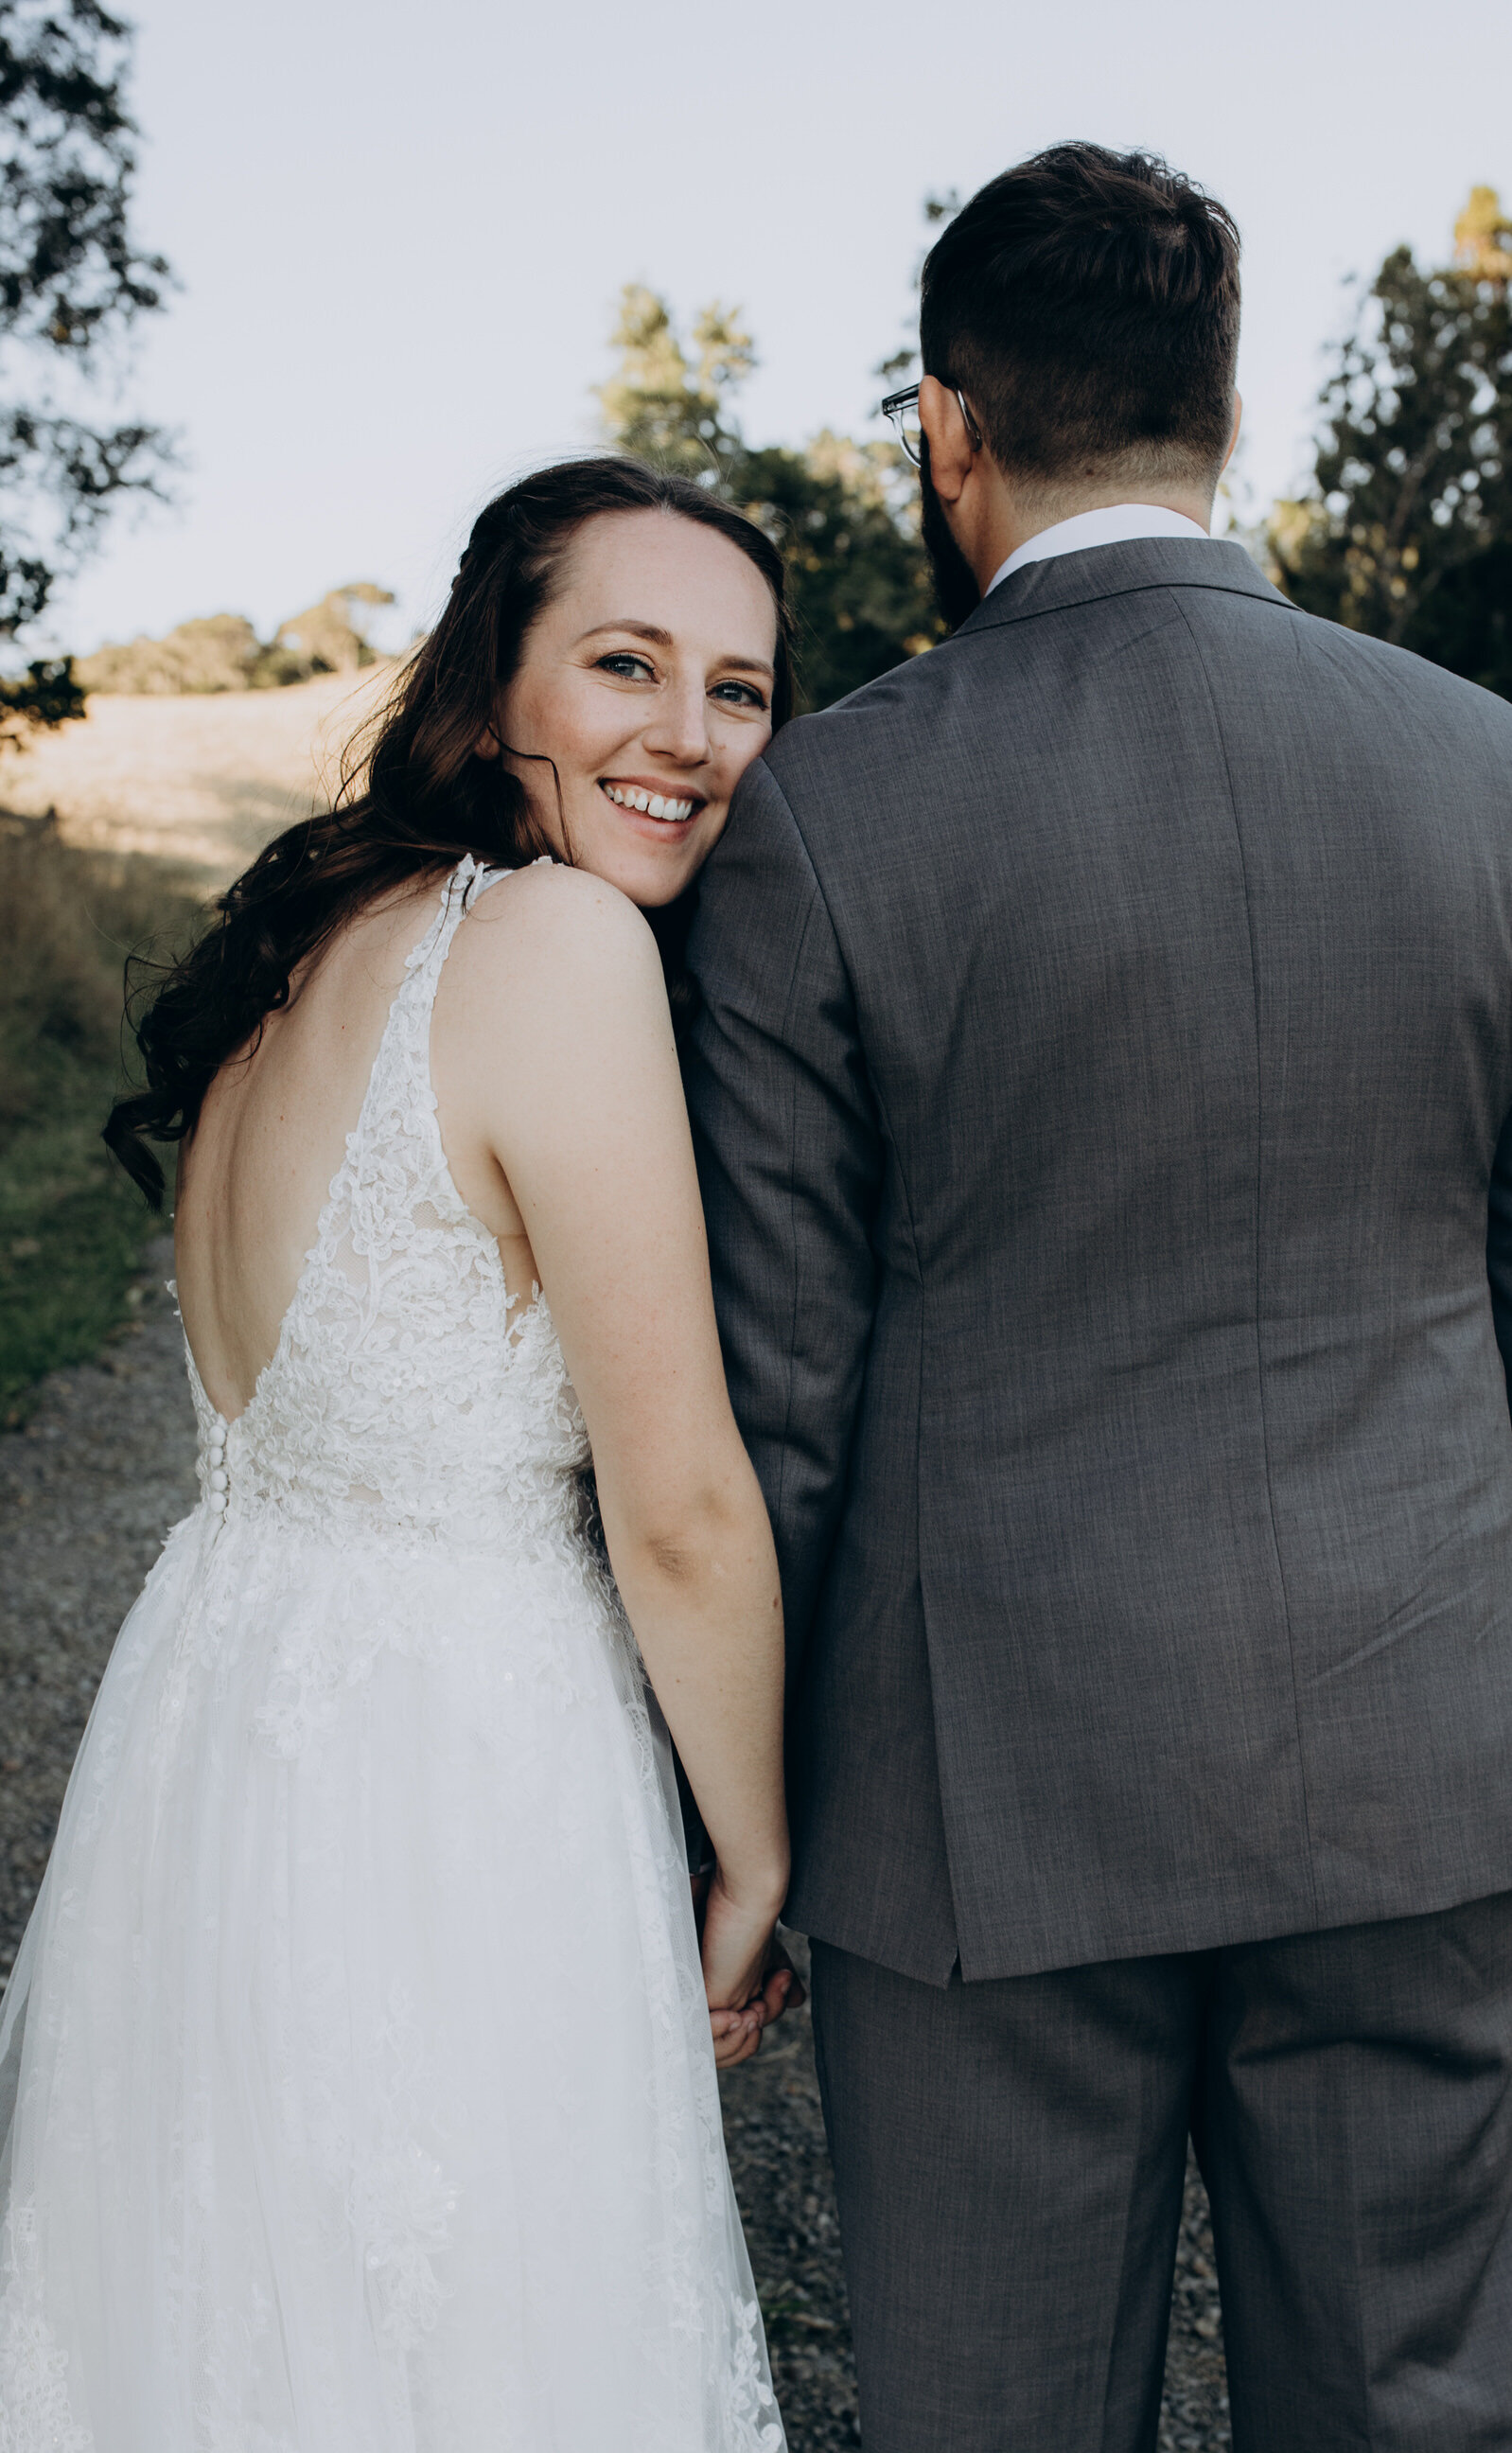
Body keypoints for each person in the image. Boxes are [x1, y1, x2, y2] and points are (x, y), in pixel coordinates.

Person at [684, 143, 1512, 2451]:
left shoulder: (824, 820)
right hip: (1425, 1767)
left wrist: (727, 1827)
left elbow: (785, 1393)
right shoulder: (1486, 771)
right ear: (1219, 415)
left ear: (946, 427)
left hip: (981, 1809)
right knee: (1415, 2410)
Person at [0, 458, 795, 2450]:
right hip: (455, 1779)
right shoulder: (553, 947)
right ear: (495, 683)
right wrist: (757, 1856)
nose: (688, 738)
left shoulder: (305, 960)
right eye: (626, 663)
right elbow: (679, 1503)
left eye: (742, 689)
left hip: (213, 1733)